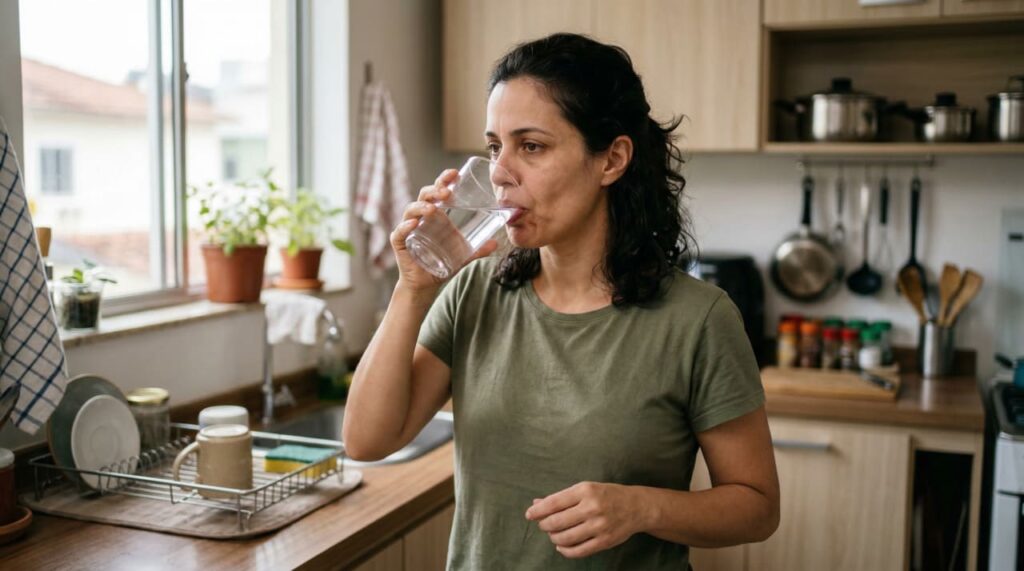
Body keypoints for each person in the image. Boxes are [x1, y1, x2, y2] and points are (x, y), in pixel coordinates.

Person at [344, 32, 779, 569]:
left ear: (612, 160)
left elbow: (757, 508)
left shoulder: (699, 319)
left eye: (531, 146)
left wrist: (642, 507)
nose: (500, 172)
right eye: (494, 146)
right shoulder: (473, 292)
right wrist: (412, 289)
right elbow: (366, 441)